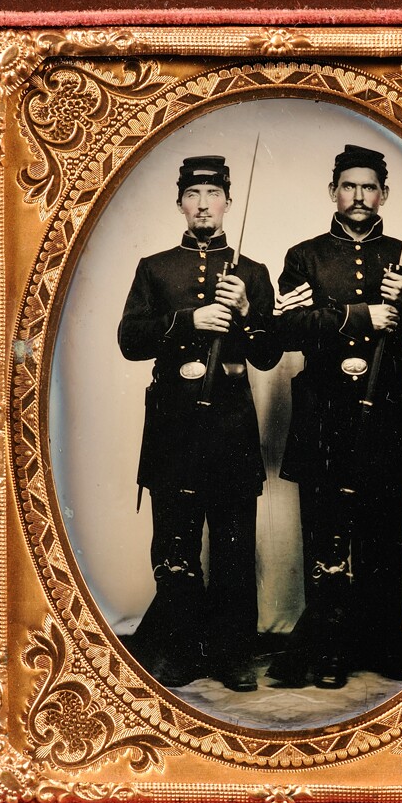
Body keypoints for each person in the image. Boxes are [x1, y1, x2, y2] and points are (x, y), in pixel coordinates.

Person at [268, 144, 402, 689]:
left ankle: (382, 645)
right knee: (325, 537)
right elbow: (290, 331)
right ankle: (328, 652)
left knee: (383, 537)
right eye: (348, 186)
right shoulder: (303, 257)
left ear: (384, 196)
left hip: (388, 414)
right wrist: (359, 313)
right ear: (333, 192)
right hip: (324, 412)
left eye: (369, 187)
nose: (358, 196)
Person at [117, 155, 280, 692]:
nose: (204, 204)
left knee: (234, 545)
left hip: (230, 429)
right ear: (181, 201)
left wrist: (249, 309)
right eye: (194, 194)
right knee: (176, 541)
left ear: (228, 202)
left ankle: (232, 654)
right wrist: (188, 320)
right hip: (172, 427)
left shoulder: (252, 272)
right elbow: (129, 341)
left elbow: (267, 356)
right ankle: (182, 649)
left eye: (213, 194)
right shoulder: (155, 267)